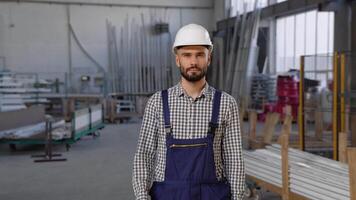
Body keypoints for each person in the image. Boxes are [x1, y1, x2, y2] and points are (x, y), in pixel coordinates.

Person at [132, 23, 245, 200]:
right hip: (167, 194)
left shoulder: (226, 104)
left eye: (200, 54)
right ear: (177, 59)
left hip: (212, 194)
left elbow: (234, 157)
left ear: (209, 58)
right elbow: (144, 154)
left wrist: (238, 197)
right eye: (187, 55)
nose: (193, 62)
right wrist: (141, 196)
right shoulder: (157, 103)